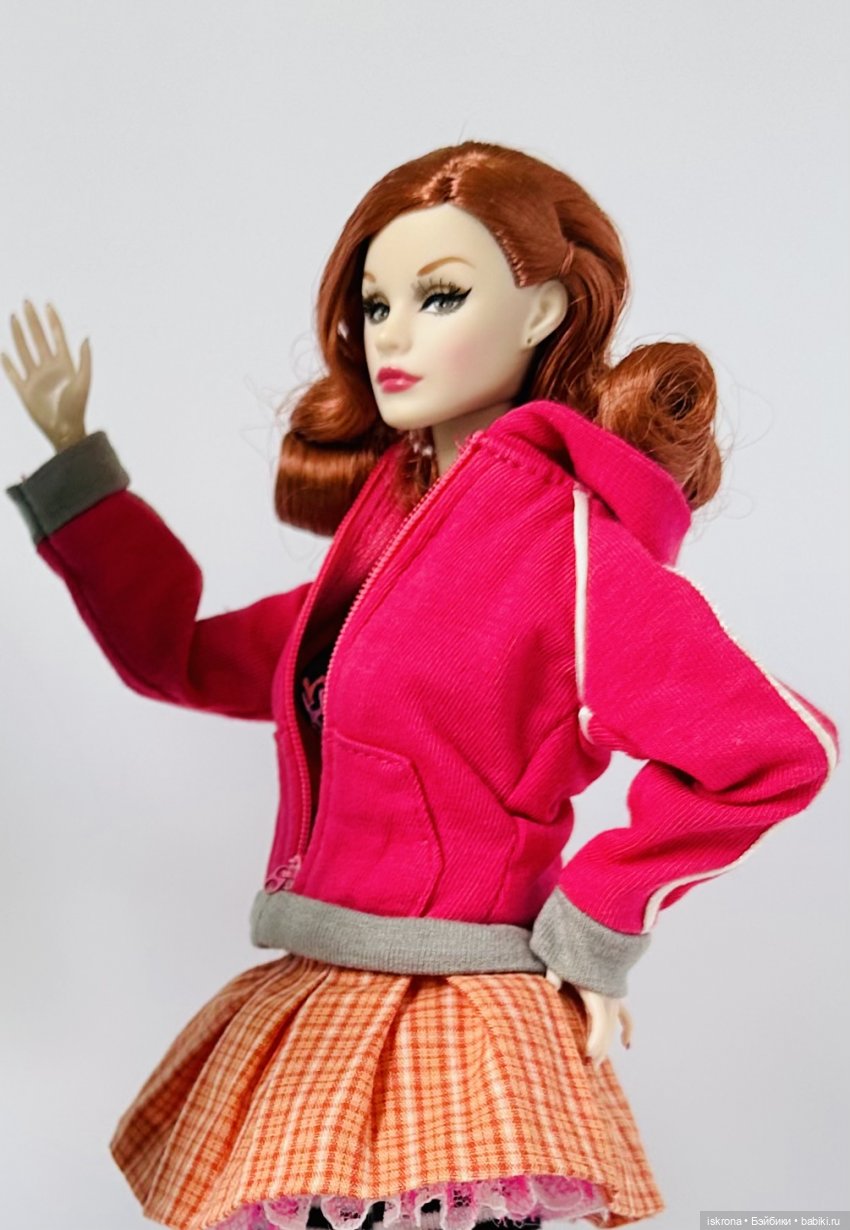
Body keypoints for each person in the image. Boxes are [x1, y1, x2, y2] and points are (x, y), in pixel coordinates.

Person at [2, 141, 837, 1230]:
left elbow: (773, 752)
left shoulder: (568, 556)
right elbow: (182, 657)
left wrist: (598, 920)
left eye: (440, 296)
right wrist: (78, 471)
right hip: (327, 985)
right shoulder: (385, 547)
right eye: (374, 304)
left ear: (542, 311)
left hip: (460, 1011)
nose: (391, 335)